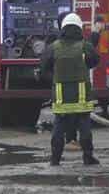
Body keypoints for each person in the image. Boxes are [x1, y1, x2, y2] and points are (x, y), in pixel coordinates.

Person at [39, 12, 101, 167]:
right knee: (84, 128)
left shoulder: (53, 47)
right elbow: (94, 61)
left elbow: (43, 70)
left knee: (59, 128)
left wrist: (55, 78)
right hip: (81, 96)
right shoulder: (85, 46)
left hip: (61, 96)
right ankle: (88, 157)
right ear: (79, 28)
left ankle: (55, 159)